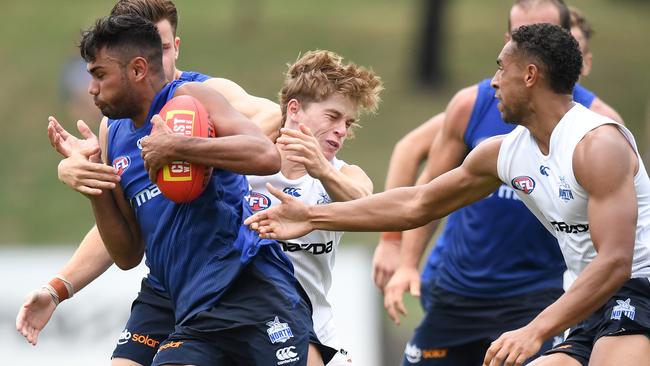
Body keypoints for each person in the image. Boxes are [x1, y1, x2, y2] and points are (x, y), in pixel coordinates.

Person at [245, 23, 650, 366]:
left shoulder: (596, 145)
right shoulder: (505, 152)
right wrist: (312, 216)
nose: (493, 82)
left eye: (500, 69)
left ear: (529, 75)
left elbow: (616, 261)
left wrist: (535, 329)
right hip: (587, 300)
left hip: (637, 289)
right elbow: (416, 203)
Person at [16, 1, 285, 365]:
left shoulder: (198, 95)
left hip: (233, 272)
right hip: (168, 284)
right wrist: (88, 176)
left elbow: (268, 120)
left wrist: (188, 150)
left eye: (164, 48)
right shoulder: (114, 127)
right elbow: (129, 237)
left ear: (174, 46)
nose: (161, 60)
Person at [371, 1, 624, 365]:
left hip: (541, 297)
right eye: (521, 34)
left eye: (545, 32)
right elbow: (419, 188)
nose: (495, 79)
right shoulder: (482, 113)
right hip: (457, 291)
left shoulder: (597, 132)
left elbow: (616, 254)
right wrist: (398, 252)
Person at [246, 49, 382, 364]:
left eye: (348, 123)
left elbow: (368, 206)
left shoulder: (344, 175)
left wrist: (321, 168)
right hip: (242, 323)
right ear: (294, 109)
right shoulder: (245, 167)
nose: (342, 130)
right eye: (333, 116)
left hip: (313, 328)